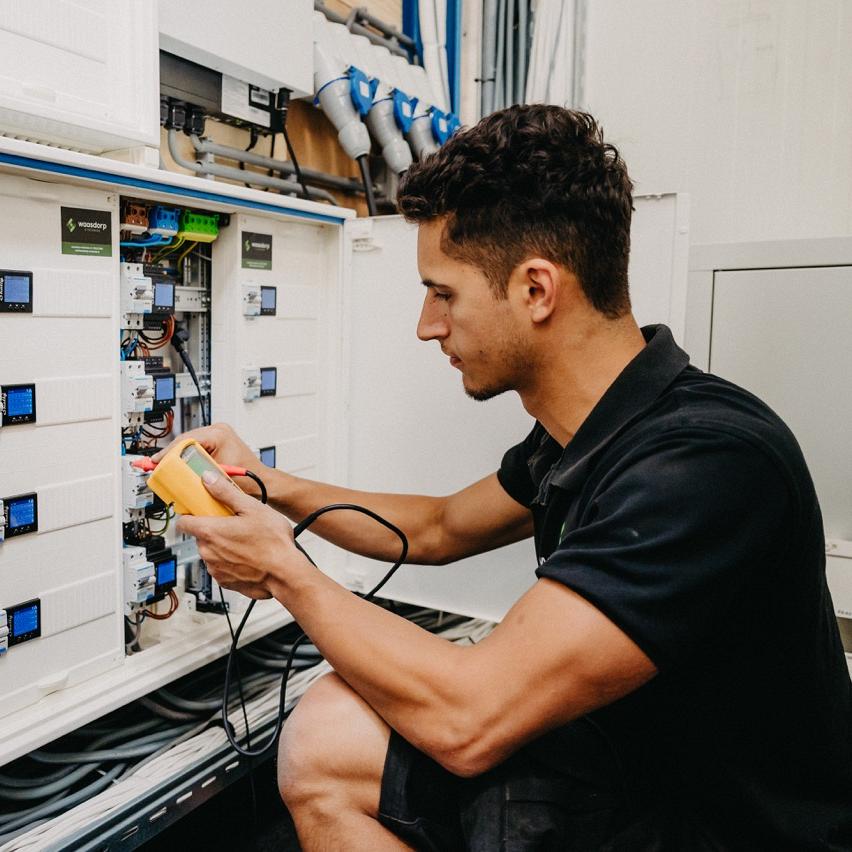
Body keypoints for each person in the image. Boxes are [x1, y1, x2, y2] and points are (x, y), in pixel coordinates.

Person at [165, 106, 852, 850]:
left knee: (355, 729)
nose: (427, 326)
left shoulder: (703, 466)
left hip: (717, 827)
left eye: (443, 293)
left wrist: (284, 572)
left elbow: (467, 722)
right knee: (328, 732)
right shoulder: (599, 424)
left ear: (536, 290)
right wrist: (270, 487)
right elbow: (436, 529)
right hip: (640, 767)